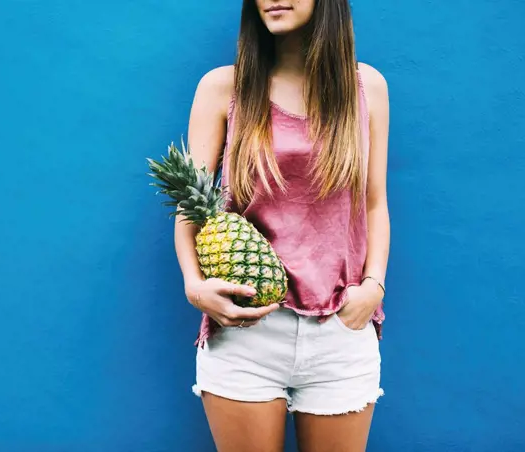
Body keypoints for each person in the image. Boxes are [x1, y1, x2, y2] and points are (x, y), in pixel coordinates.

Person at [176, 1, 390, 450]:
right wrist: (194, 287)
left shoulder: (366, 86)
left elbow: (373, 203)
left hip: (340, 327)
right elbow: (188, 203)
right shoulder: (224, 87)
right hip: (245, 326)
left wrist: (373, 288)